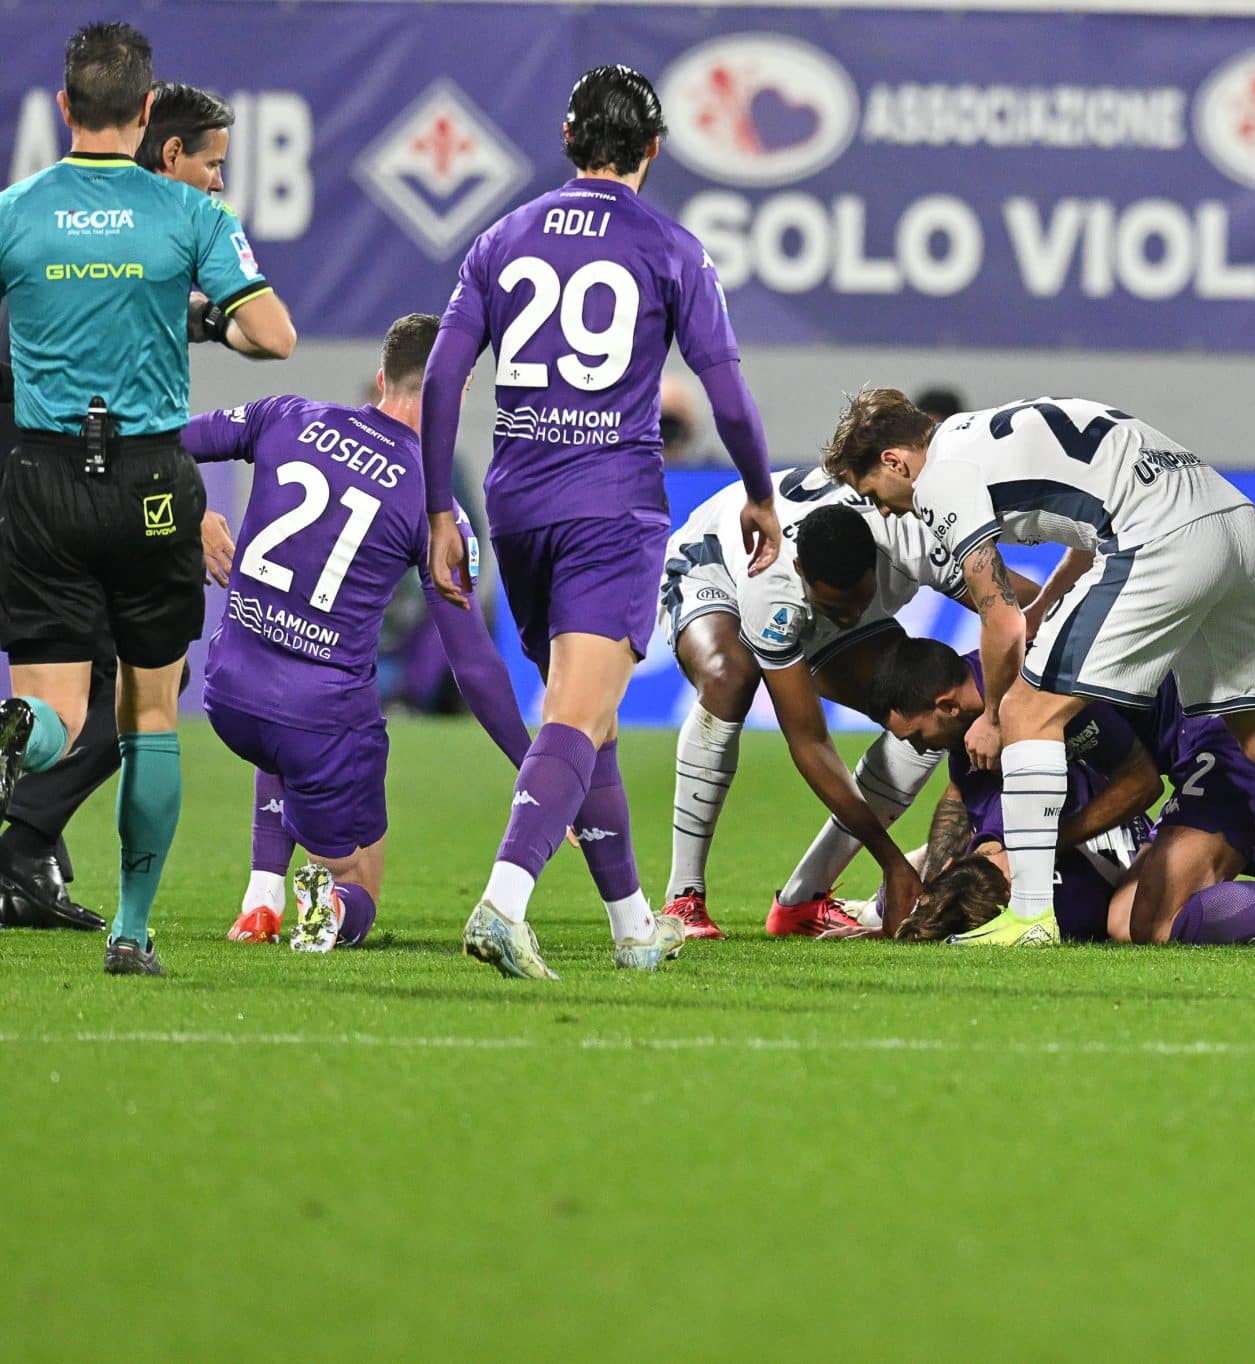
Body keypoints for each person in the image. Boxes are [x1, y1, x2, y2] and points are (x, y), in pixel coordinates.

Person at [420, 64, 778, 978]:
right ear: (653, 150)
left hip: (519, 502)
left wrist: (436, 510)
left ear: (570, 142)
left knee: (596, 718)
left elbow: (439, 379)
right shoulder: (671, 247)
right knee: (578, 713)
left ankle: (630, 926)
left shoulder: (501, 238)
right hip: (610, 504)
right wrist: (758, 491)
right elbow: (727, 394)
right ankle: (504, 901)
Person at [827, 390, 1255, 951]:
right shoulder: (991, 430)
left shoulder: (938, 480)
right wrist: (1046, 601)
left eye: (874, 492)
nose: (883, 508)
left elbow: (999, 624)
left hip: (1161, 538)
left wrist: (998, 718)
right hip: (1234, 518)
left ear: (895, 461)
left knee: (1029, 712)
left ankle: (1029, 916)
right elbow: (1088, 530)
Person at [0, 21, 295, 975]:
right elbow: (275, 336)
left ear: (61, 110)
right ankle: (132, 931)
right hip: (149, 484)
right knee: (149, 715)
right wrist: (202, 316)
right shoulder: (190, 215)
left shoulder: (16, 210)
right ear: (142, 112)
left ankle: (18, 731)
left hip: (40, 476)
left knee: (57, 718)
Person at [183, 315, 554, 953]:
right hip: (318, 719)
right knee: (359, 876)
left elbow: (162, 442)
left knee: (285, 733)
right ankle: (327, 909)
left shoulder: (286, 415)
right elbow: (474, 664)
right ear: (455, 392)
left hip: (228, 692)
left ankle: (261, 899)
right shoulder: (438, 511)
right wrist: (533, 765)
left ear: (381, 377)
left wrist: (191, 509)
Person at [657, 468, 1029, 938]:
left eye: (860, 602)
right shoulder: (773, 588)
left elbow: (1022, 614)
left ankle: (801, 901)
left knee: (920, 713)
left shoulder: (906, 535)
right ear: (801, 575)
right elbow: (809, 741)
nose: (852, 618)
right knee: (730, 677)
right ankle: (684, 895)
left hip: (823, 567)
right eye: (838, 611)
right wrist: (893, 862)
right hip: (713, 565)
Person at [873, 639, 1162, 943]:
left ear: (948, 705)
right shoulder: (965, 716)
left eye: (917, 736)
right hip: (1060, 828)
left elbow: (1141, 782)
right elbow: (959, 792)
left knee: (1131, 926)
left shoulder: (1044, 694)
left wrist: (1037, 848)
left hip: (1193, 746)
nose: (918, 750)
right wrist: (932, 882)